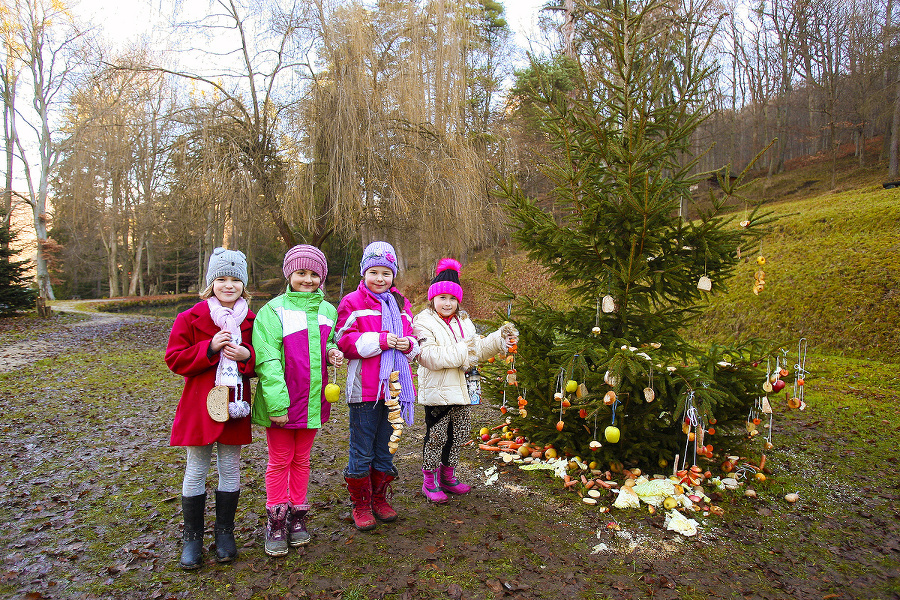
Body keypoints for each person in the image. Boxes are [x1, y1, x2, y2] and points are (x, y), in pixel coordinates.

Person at [165, 247, 256, 570]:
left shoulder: (252, 320)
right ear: (211, 283)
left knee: (230, 467)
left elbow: (262, 359)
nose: (228, 285)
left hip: (235, 404)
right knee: (196, 468)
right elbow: (174, 358)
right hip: (200, 406)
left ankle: (224, 533)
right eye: (221, 279)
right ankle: (192, 538)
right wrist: (209, 348)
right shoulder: (189, 318)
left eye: (234, 280)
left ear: (243, 285)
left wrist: (247, 357)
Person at [251, 245, 344, 557]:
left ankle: (297, 517)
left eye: (314, 273)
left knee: (302, 460)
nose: (308, 279)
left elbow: (328, 341)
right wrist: (277, 406)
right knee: (279, 461)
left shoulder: (327, 311)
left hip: (314, 401)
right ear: (288, 274)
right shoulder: (272, 312)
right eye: (301, 272)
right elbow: (266, 362)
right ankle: (276, 520)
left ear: (322, 276)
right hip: (283, 403)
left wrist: (333, 351)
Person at [413, 258, 517, 503]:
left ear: (458, 300)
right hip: (438, 391)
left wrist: (499, 339)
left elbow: (477, 348)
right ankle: (430, 480)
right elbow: (429, 356)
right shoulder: (422, 322)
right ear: (433, 299)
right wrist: (465, 351)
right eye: (442, 298)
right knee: (436, 436)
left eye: (452, 299)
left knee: (458, 434)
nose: (447, 303)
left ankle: (448, 476)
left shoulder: (464, 321)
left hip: (464, 389)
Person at [335, 241, 419, 531]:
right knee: (362, 450)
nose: (380, 279)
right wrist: (381, 340)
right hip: (364, 390)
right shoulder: (352, 302)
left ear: (394, 275)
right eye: (374, 272)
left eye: (386, 272)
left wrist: (410, 345)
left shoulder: (402, 303)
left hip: (395, 389)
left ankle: (379, 498)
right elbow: (344, 342)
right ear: (363, 273)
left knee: (386, 448)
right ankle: (361, 503)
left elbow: (412, 340)